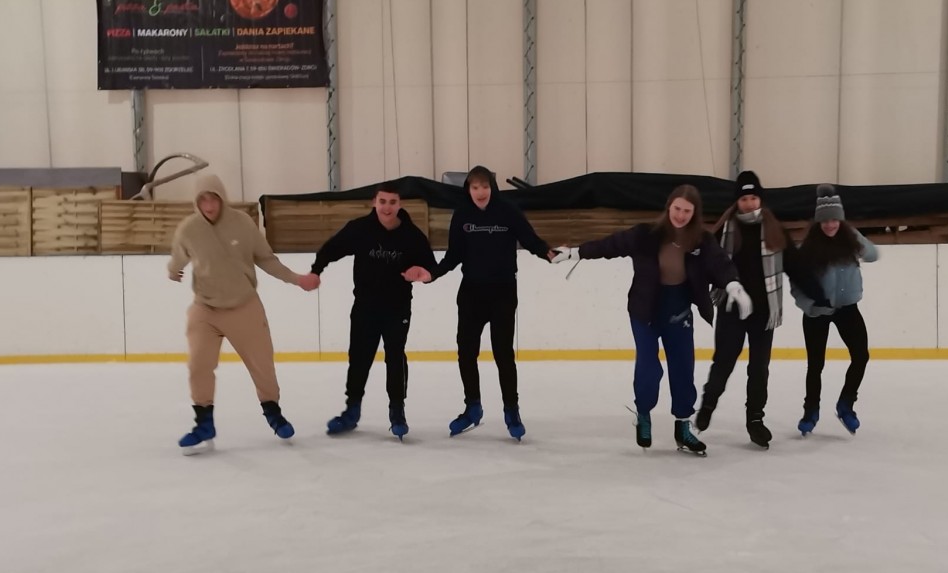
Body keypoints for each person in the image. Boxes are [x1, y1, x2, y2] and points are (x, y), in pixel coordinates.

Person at [552, 184, 753, 454]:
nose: (680, 215)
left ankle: (683, 425)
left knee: (683, 369)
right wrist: (575, 252)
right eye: (677, 209)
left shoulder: (702, 240)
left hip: (678, 309)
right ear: (669, 206)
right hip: (645, 309)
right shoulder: (645, 235)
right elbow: (610, 245)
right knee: (648, 369)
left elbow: (720, 263)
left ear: (694, 213)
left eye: (687, 211)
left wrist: (733, 285)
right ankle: (643, 413)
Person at [168, 174, 315, 455]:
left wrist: (297, 279)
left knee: (262, 365)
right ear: (196, 202)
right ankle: (203, 422)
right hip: (205, 308)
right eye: (203, 200)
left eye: (213, 198)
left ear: (222, 198)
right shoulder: (189, 229)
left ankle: (273, 413)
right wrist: (173, 270)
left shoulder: (243, 224)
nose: (209, 205)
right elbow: (178, 256)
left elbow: (266, 259)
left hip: (244, 306)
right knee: (198, 365)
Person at [696, 171, 829, 449]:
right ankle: (708, 405)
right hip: (732, 308)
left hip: (764, 312)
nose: (749, 203)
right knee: (724, 362)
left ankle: (755, 420)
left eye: (754, 198)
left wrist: (818, 295)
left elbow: (796, 267)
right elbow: (706, 264)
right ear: (737, 201)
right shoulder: (724, 230)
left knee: (759, 369)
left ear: (760, 199)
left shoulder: (774, 229)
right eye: (744, 199)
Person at [298, 182, 437, 441]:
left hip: (397, 308)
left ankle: (397, 411)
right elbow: (331, 248)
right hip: (365, 307)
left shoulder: (412, 235)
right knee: (359, 358)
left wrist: (423, 273)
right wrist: (316, 270)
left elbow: (432, 267)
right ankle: (352, 410)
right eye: (382, 201)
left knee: (395, 356)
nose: (387, 207)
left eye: (392, 202)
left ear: (400, 204)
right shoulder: (360, 229)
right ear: (374, 202)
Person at [425, 165, 556, 441]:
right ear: (468, 189)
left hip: (503, 293)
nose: (480, 192)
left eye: (484, 186)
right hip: (471, 293)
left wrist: (547, 252)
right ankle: (472, 406)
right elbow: (454, 255)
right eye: (475, 187)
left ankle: (511, 410)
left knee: (503, 354)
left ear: (492, 188)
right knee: (466, 352)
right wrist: (433, 274)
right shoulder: (462, 215)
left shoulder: (508, 211)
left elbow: (530, 239)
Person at [790, 184, 879, 436]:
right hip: (817, 312)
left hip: (847, 308)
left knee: (861, 356)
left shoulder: (850, 241)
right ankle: (810, 411)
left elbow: (873, 254)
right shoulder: (808, 249)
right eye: (825, 220)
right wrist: (811, 305)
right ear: (818, 222)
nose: (830, 225)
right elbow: (796, 285)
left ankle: (846, 404)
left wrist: (852, 233)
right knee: (815, 364)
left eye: (835, 220)